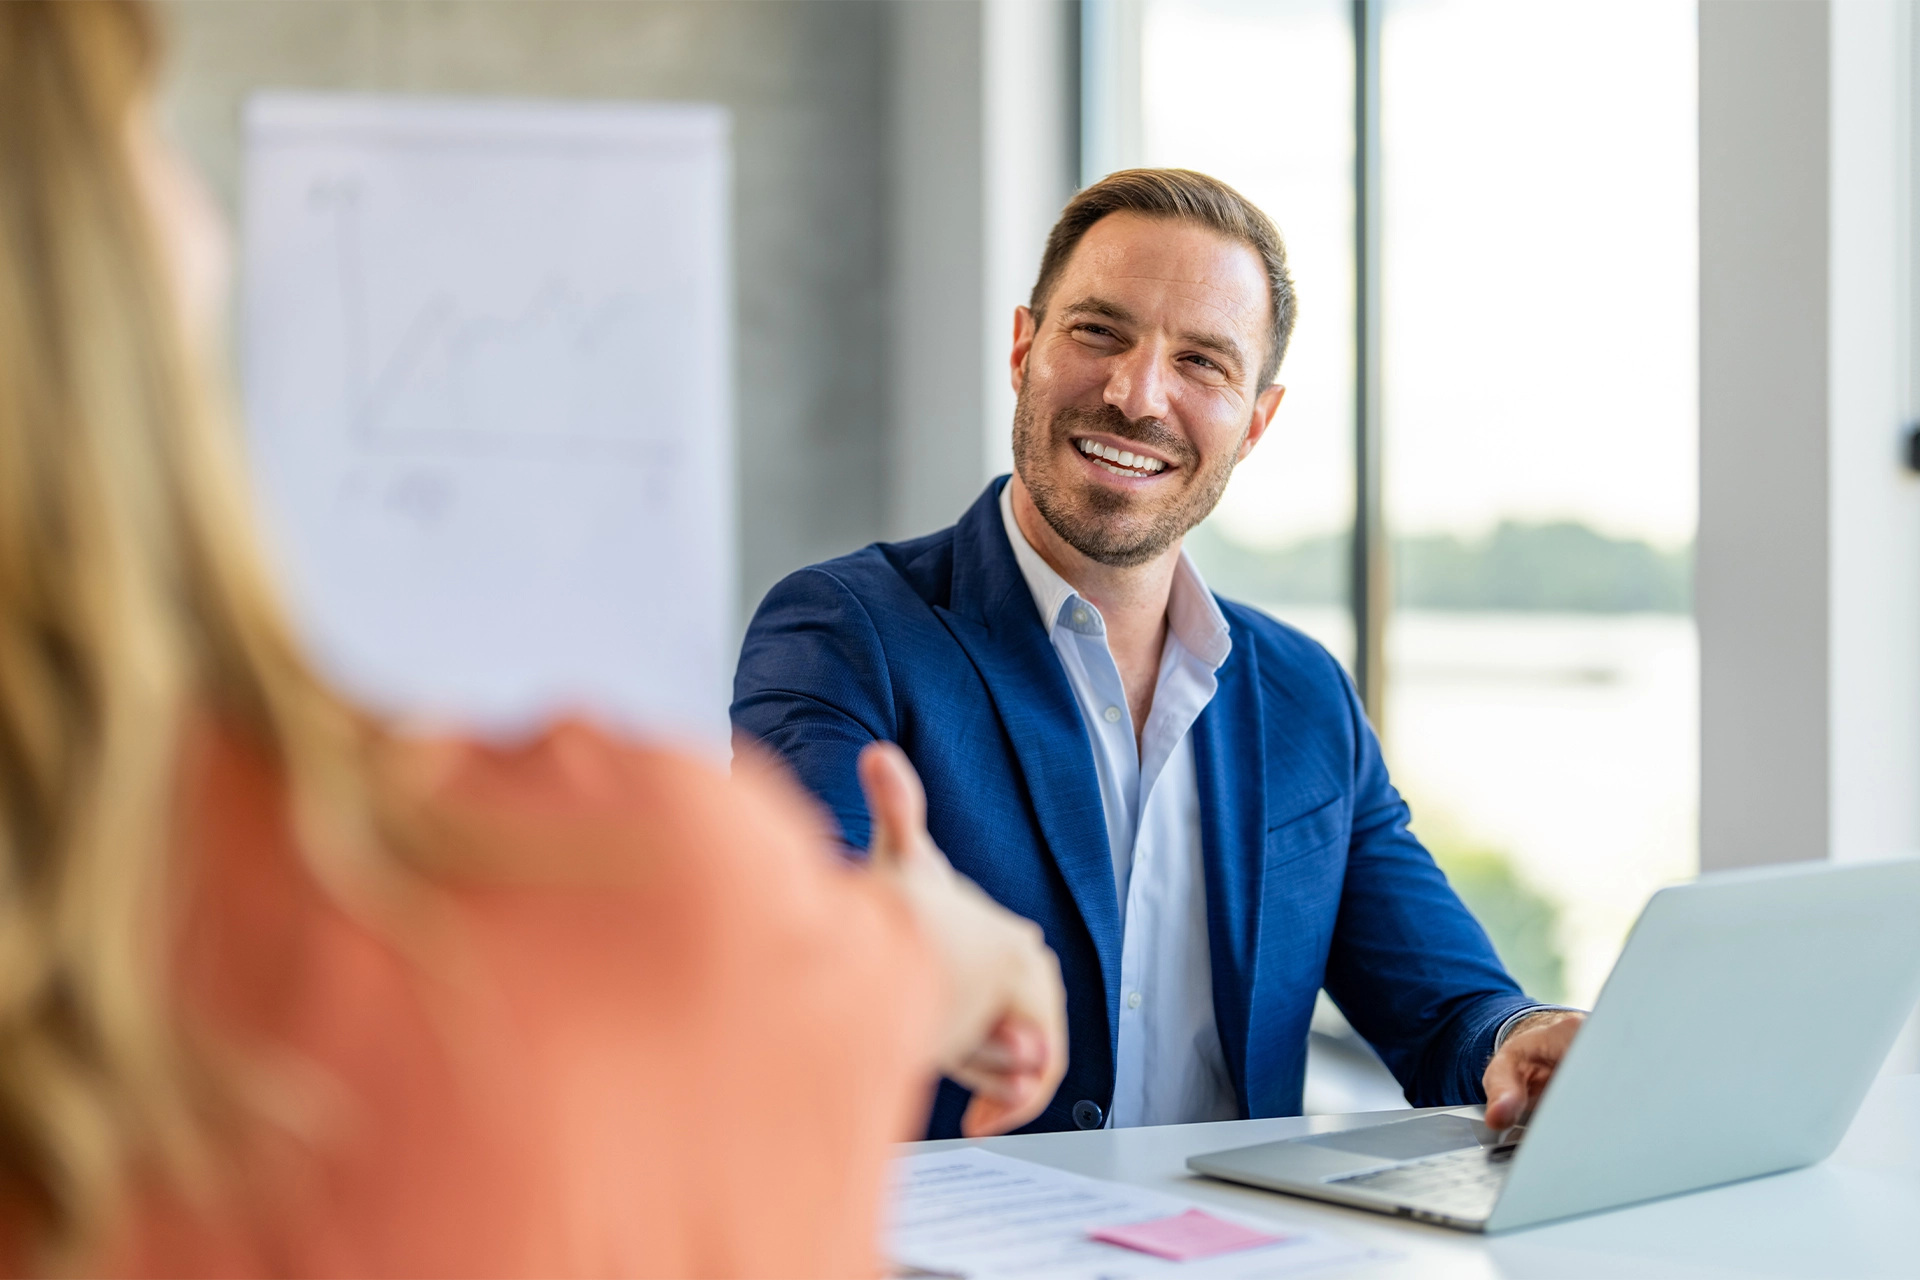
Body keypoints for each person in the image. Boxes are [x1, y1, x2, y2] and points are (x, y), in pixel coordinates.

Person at [0, 0, 1065, 1274]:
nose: (211, 229)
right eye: (143, 140)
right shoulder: (613, 873)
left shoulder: (1288, 684)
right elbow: (787, 981)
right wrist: (927, 952)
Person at [734, 169, 1583, 1140]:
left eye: (1204, 362)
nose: (1136, 394)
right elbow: (795, 935)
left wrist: (1528, 1035)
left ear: (1255, 421)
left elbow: (1448, 1012)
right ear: (1024, 347)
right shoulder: (846, 633)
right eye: (1098, 331)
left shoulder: (1304, 693)